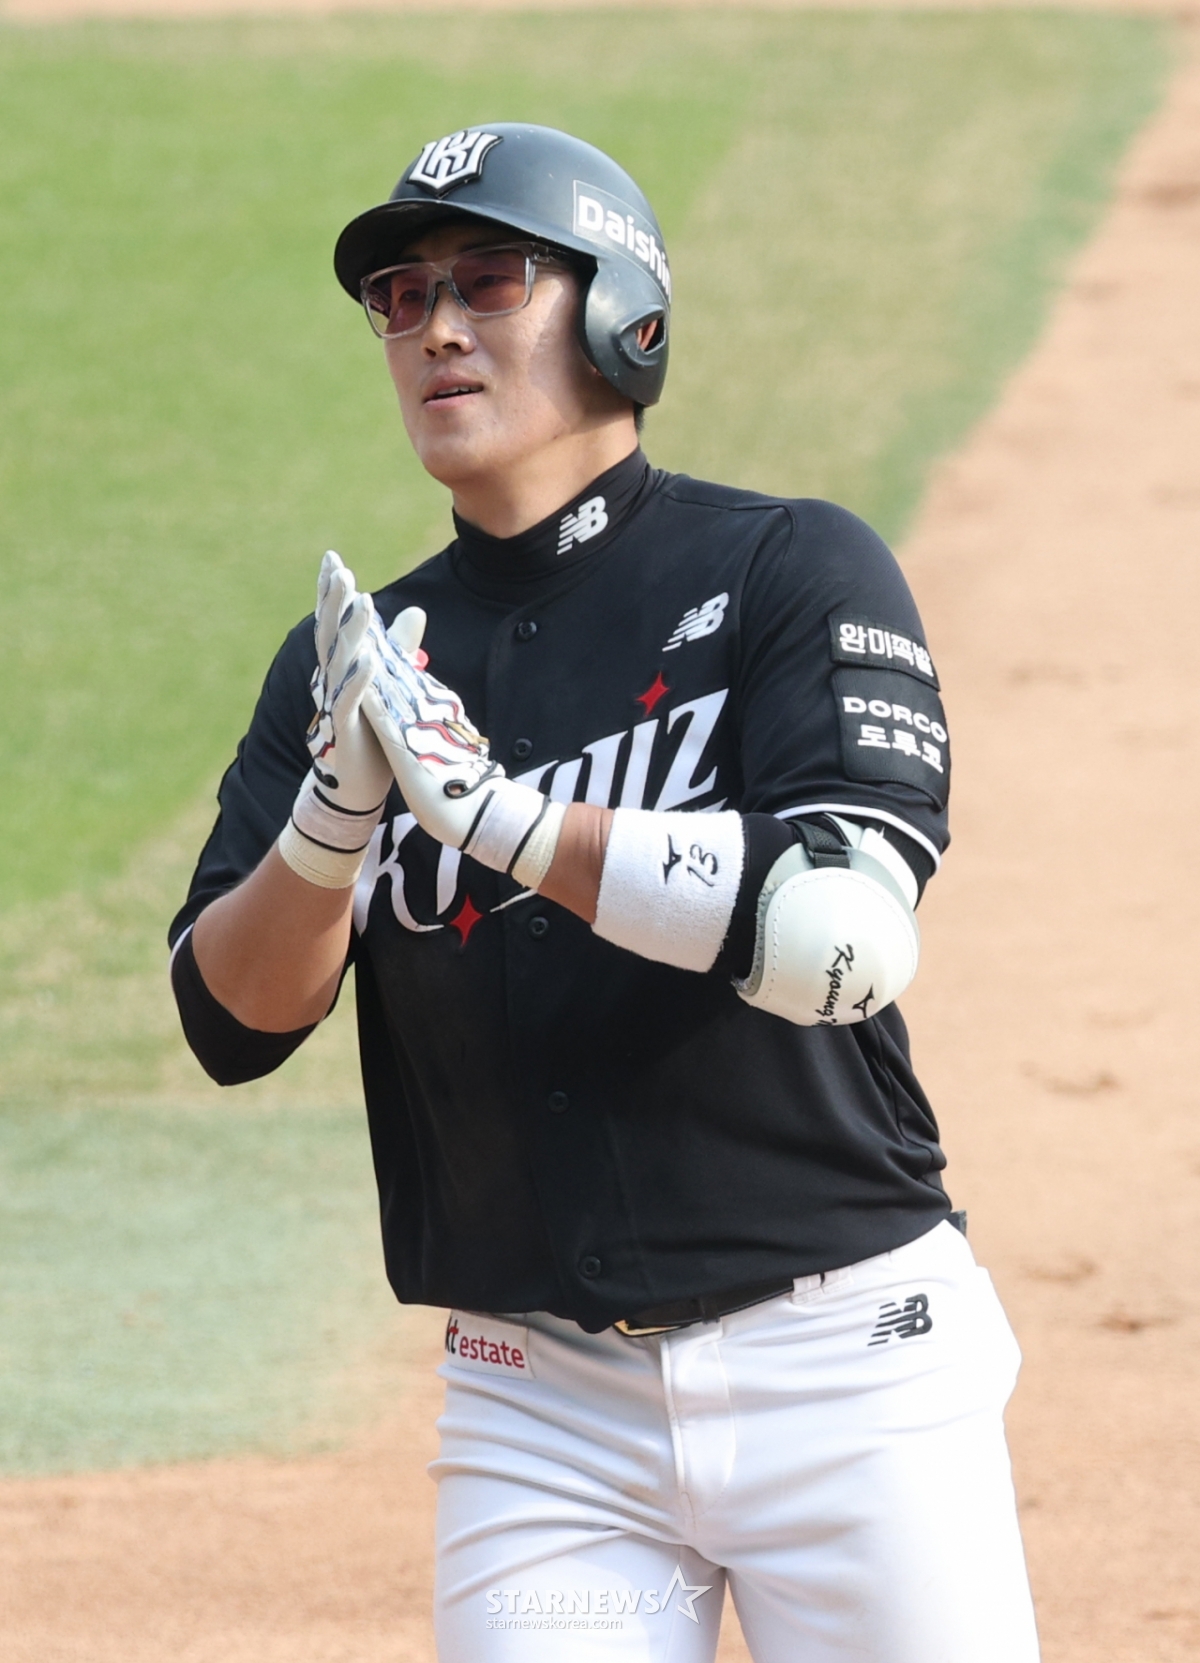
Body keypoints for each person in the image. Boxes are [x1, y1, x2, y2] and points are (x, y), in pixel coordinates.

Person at [169, 124, 1040, 1661]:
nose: (436, 327)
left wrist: (510, 826)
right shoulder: (357, 663)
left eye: (489, 279)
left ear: (622, 312)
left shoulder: (789, 570)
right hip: (542, 1413)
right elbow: (230, 1021)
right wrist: (331, 818)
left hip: (849, 1372)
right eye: (400, 296)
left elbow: (842, 937)